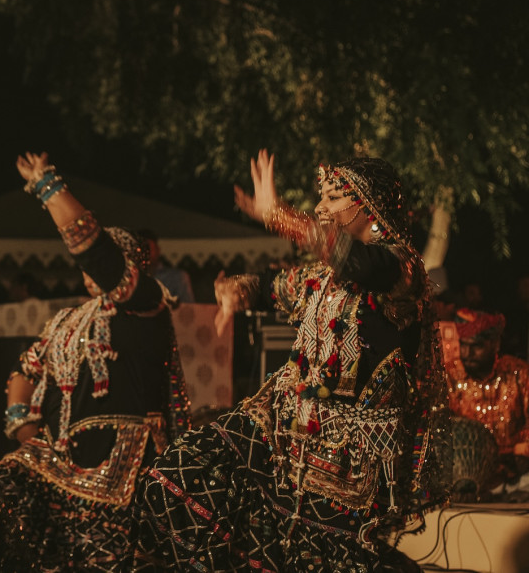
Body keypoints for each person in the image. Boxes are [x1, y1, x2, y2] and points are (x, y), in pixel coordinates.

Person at [135, 151, 441, 571]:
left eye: (332, 197)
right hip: (283, 432)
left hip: (348, 461)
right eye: (321, 197)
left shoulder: (402, 269)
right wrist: (236, 292)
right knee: (183, 471)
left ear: (368, 204)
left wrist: (279, 215)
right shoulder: (320, 278)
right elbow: (269, 286)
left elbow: (359, 262)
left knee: (318, 559)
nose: (320, 207)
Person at [0, 153, 190, 572]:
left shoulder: (147, 305)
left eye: (104, 260)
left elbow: (99, 256)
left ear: (129, 267)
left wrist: (48, 187)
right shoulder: (65, 320)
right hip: (59, 458)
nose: (90, 268)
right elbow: (25, 369)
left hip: (125, 462)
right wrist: (24, 429)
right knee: (5, 491)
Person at [443, 309, 529, 485]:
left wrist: (523, 450)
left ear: (495, 344)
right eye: (463, 345)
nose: (467, 353)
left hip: (517, 475)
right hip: (465, 477)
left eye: (477, 346)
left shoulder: (519, 373)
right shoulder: (450, 376)